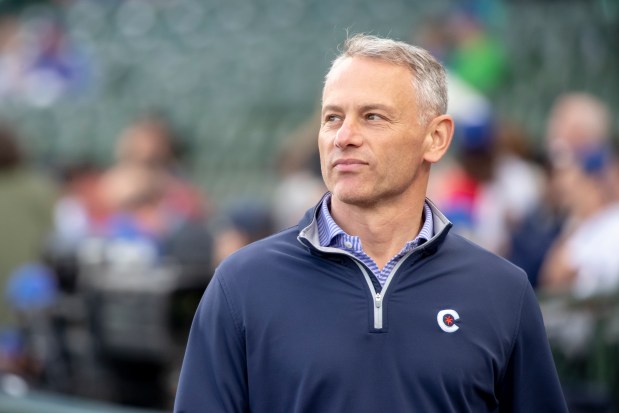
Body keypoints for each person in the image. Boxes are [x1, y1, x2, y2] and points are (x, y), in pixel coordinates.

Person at [174, 34, 567, 412]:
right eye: (332, 118)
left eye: (372, 116)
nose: (344, 137)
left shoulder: (503, 292)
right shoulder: (241, 286)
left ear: (436, 138)